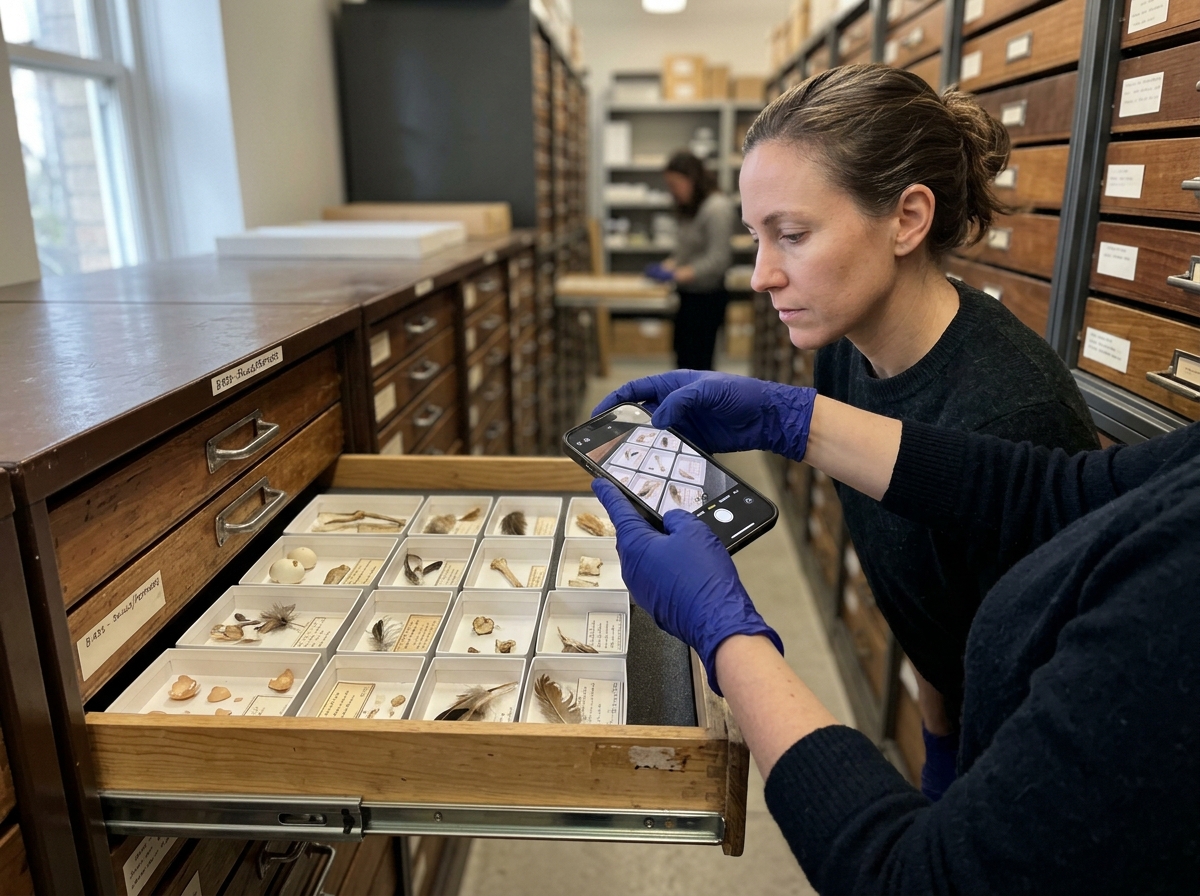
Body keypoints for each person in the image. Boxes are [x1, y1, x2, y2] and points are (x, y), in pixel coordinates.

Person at [654, 65, 1099, 798]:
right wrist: (938, 740)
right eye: (756, 237)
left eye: (791, 234)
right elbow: (934, 605)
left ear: (907, 219)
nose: (762, 275)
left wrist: (967, 778)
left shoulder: (1013, 416)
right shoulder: (847, 352)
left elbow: (1056, 697)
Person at [589, 379, 1200, 894]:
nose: (760, 276)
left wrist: (724, 632)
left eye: (794, 232)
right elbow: (1062, 493)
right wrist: (794, 419)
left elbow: (914, 880)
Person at [650, 150, 736, 371]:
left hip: (707, 298)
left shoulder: (717, 208)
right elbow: (684, 250)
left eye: (675, 184)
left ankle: (696, 406)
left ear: (692, 179)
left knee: (698, 365)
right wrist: (667, 265)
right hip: (687, 296)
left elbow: (719, 260)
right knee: (682, 360)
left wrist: (677, 274)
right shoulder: (691, 207)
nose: (673, 192)